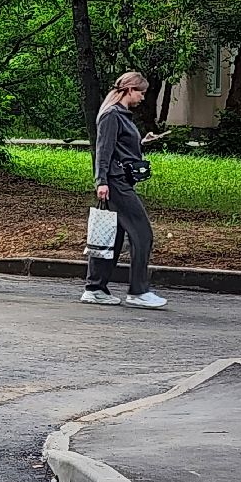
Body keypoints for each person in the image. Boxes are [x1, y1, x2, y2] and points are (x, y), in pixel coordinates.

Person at [82, 71, 169, 309]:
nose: (143, 97)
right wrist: (101, 181)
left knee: (113, 237)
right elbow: (103, 150)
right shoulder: (111, 115)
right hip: (116, 183)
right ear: (130, 90)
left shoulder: (120, 115)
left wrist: (141, 143)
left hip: (119, 181)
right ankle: (139, 291)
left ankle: (95, 288)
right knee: (142, 233)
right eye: (141, 92)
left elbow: (119, 146)